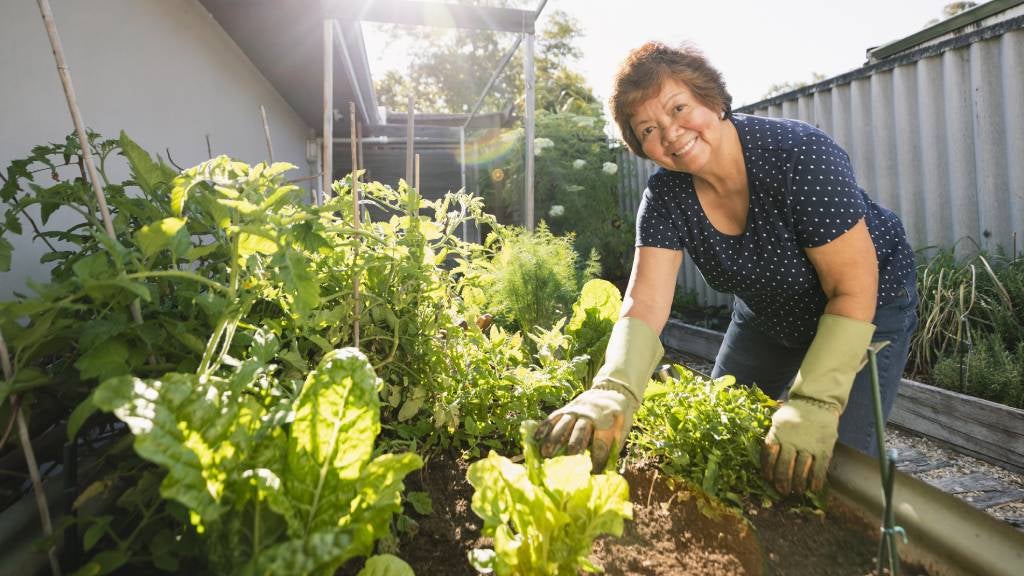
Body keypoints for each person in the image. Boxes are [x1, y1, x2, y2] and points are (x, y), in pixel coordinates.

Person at [534, 41, 918, 496]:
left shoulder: (800, 157)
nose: (671, 133)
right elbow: (645, 303)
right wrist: (614, 390)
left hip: (867, 307)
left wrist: (815, 400)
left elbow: (852, 285)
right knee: (716, 432)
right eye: (649, 129)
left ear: (713, 101)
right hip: (769, 310)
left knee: (833, 469)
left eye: (679, 108)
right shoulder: (666, 198)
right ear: (642, 147)